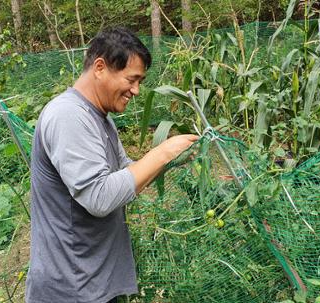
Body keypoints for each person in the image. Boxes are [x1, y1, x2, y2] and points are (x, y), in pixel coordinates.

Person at [25, 27, 198, 303]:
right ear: (100, 67)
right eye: (132, 79)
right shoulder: (68, 115)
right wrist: (162, 153)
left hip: (90, 281)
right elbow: (99, 197)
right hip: (70, 290)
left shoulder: (99, 117)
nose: (137, 91)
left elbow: (125, 174)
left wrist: (175, 157)